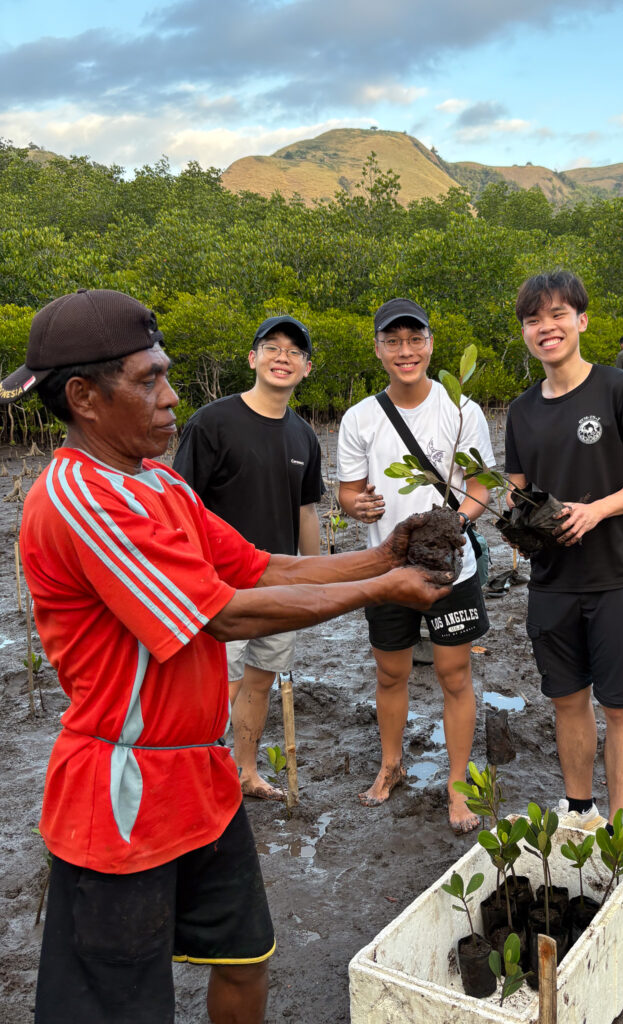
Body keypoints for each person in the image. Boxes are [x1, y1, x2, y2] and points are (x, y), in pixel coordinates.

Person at [6, 289, 452, 1024]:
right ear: (84, 397)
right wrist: (387, 588)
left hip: (201, 775)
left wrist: (383, 555)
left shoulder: (160, 484)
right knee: (121, 1006)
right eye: (148, 379)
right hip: (123, 789)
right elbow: (220, 614)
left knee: (247, 958)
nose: (170, 394)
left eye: (165, 373)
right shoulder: (78, 498)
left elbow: (260, 567)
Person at [504, 272, 623, 831]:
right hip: (551, 583)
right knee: (567, 700)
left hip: (617, 577)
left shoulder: (621, 391)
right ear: (525, 332)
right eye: (533, 319)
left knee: (621, 705)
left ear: (581, 320)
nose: (545, 327)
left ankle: (619, 829)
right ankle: (579, 810)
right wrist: (518, 522)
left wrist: (596, 510)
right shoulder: (521, 410)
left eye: (557, 314)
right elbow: (518, 488)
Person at [336, 297, 494, 835]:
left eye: (415, 340)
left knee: (455, 674)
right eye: (393, 341)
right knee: (390, 672)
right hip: (386, 569)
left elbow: (480, 488)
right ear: (378, 349)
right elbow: (348, 493)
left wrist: (453, 525)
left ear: (431, 344)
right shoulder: (359, 418)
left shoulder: (462, 412)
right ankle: (391, 765)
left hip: (453, 567)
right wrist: (355, 506)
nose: (406, 351)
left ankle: (457, 786)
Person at [173, 315, 323, 801]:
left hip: (279, 587)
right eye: (272, 348)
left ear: (306, 369)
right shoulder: (212, 422)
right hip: (220, 588)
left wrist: (314, 581)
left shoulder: (304, 436)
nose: (283, 357)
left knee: (261, 682)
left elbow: (305, 512)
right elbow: (180, 507)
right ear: (253, 358)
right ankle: (199, 783)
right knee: (220, 689)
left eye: (294, 352)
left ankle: (246, 773)